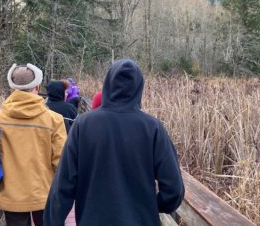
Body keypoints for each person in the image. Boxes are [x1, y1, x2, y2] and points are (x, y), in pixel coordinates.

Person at [44, 59, 184, 226]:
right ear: (139, 88)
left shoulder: (84, 125)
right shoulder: (153, 128)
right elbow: (174, 190)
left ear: (107, 85)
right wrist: (153, 205)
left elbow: (63, 184)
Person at [0, 63, 67, 226]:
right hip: (44, 193)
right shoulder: (54, 119)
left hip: (11, 195)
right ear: (37, 87)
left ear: (13, 88)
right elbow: (62, 162)